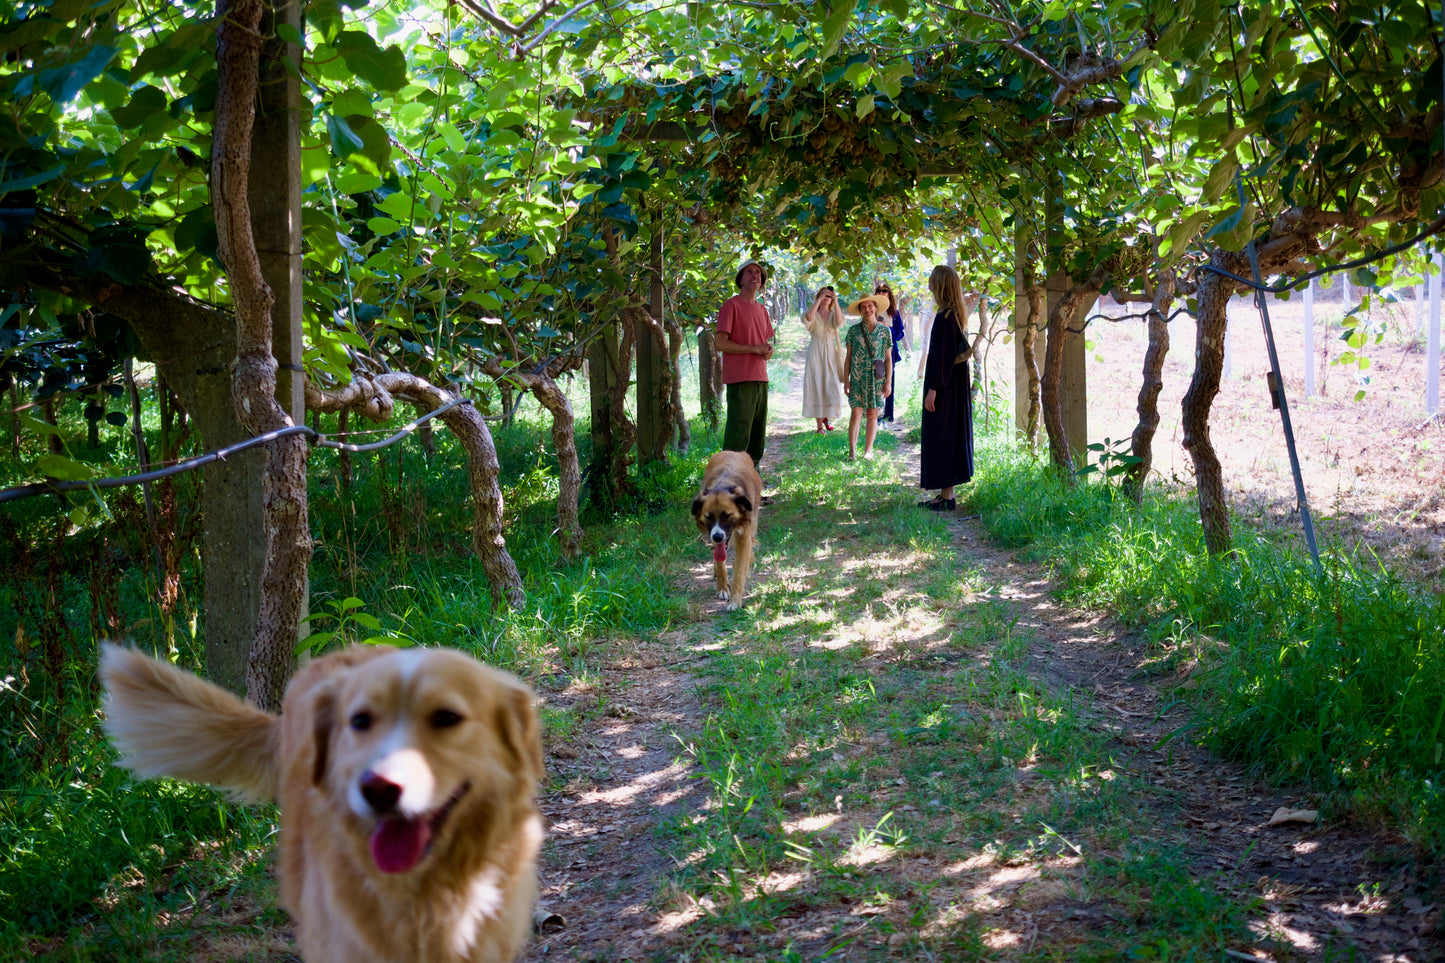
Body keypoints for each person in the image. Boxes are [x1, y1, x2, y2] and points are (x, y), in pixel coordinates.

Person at [918, 264, 975, 511]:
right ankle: (945, 494)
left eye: (933, 280)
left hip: (945, 389)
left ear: (940, 285)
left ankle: (947, 496)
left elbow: (942, 358)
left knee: (943, 436)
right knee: (947, 435)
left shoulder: (946, 318)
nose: (929, 284)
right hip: (951, 388)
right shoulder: (951, 315)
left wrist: (934, 388)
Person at [715, 259, 775, 472]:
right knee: (737, 437)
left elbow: (764, 346)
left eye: (758, 272)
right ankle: (728, 483)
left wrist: (766, 351)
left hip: (761, 378)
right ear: (740, 279)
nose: (755, 275)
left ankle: (750, 482)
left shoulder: (762, 310)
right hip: (740, 379)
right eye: (749, 271)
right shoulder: (731, 306)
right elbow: (720, 343)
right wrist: (754, 349)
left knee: (757, 438)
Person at [841, 292, 893, 461]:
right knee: (855, 414)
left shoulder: (884, 331)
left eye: (870, 306)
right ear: (860, 310)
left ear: (875, 307)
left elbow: (888, 359)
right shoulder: (853, 331)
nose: (867, 309)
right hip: (857, 377)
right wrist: (846, 380)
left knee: (872, 414)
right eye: (863, 307)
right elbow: (848, 357)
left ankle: (868, 451)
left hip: (876, 379)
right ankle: (852, 451)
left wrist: (888, 382)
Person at [800, 286, 845, 432]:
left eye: (829, 296)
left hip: (831, 351)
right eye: (824, 295)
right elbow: (808, 318)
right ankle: (819, 426)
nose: (827, 298)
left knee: (831, 383)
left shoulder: (834, 313)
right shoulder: (812, 312)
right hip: (815, 351)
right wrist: (819, 299)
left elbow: (839, 322)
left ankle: (827, 415)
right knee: (816, 384)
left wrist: (836, 301)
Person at [874, 283, 907, 424]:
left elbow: (900, 333)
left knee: (889, 379)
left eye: (884, 291)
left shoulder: (894, 313)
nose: (881, 293)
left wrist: (889, 329)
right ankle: (874, 412)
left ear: (889, 294)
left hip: (890, 350)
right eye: (879, 291)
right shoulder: (872, 310)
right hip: (873, 350)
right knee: (875, 379)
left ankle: (888, 414)